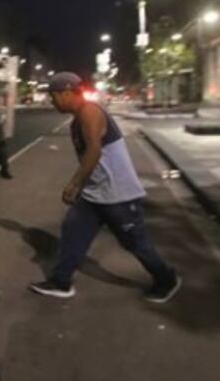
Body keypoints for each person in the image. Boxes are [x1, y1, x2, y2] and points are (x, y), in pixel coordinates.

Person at [29, 72, 181, 303]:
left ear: (67, 92)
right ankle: (61, 281)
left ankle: (167, 279)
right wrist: (84, 186)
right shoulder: (78, 119)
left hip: (118, 194)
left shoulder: (89, 112)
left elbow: (94, 151)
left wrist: (75, 183)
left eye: (53, 96)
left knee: (134, 242)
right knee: (73, 231)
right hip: (95, 193)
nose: (52, 101)